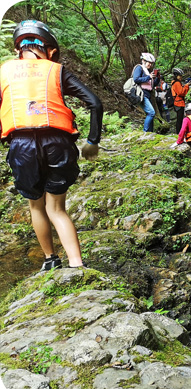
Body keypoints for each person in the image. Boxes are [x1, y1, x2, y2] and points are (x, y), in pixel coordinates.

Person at [1, 20, 103, 270]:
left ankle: (50, 260)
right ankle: (77, 265)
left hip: (22, 145)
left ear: (18, 49)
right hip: (58, 143)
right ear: (50, 50)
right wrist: (92, 141)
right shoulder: (56, 71)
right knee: (56, 208)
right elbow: (95, 103)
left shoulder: (3, 72)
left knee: (36, 205)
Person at [133, 52, 158, 132]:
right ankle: (145, 132)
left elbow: (152, 85)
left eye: (151, 63)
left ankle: (150, 132)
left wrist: (157, 78)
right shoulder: (139, 68)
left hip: (147, 94)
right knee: (151, 112)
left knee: (149, 113)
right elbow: (136, 79)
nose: (150, 65)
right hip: (141, 94)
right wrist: (148, 77)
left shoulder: (147, 71)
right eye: (149, 63)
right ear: (143, 61)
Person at [171, 67, 190, 134]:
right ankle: (179, 133)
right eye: (180, 76)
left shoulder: (176, 83)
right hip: (179, 104)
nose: (181, 77)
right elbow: (181, 93)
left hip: (179, 103)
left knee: (180, 119)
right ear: (176, 76)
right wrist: (187, 86)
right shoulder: (176, 83)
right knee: (179, 120)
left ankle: (179, 132)